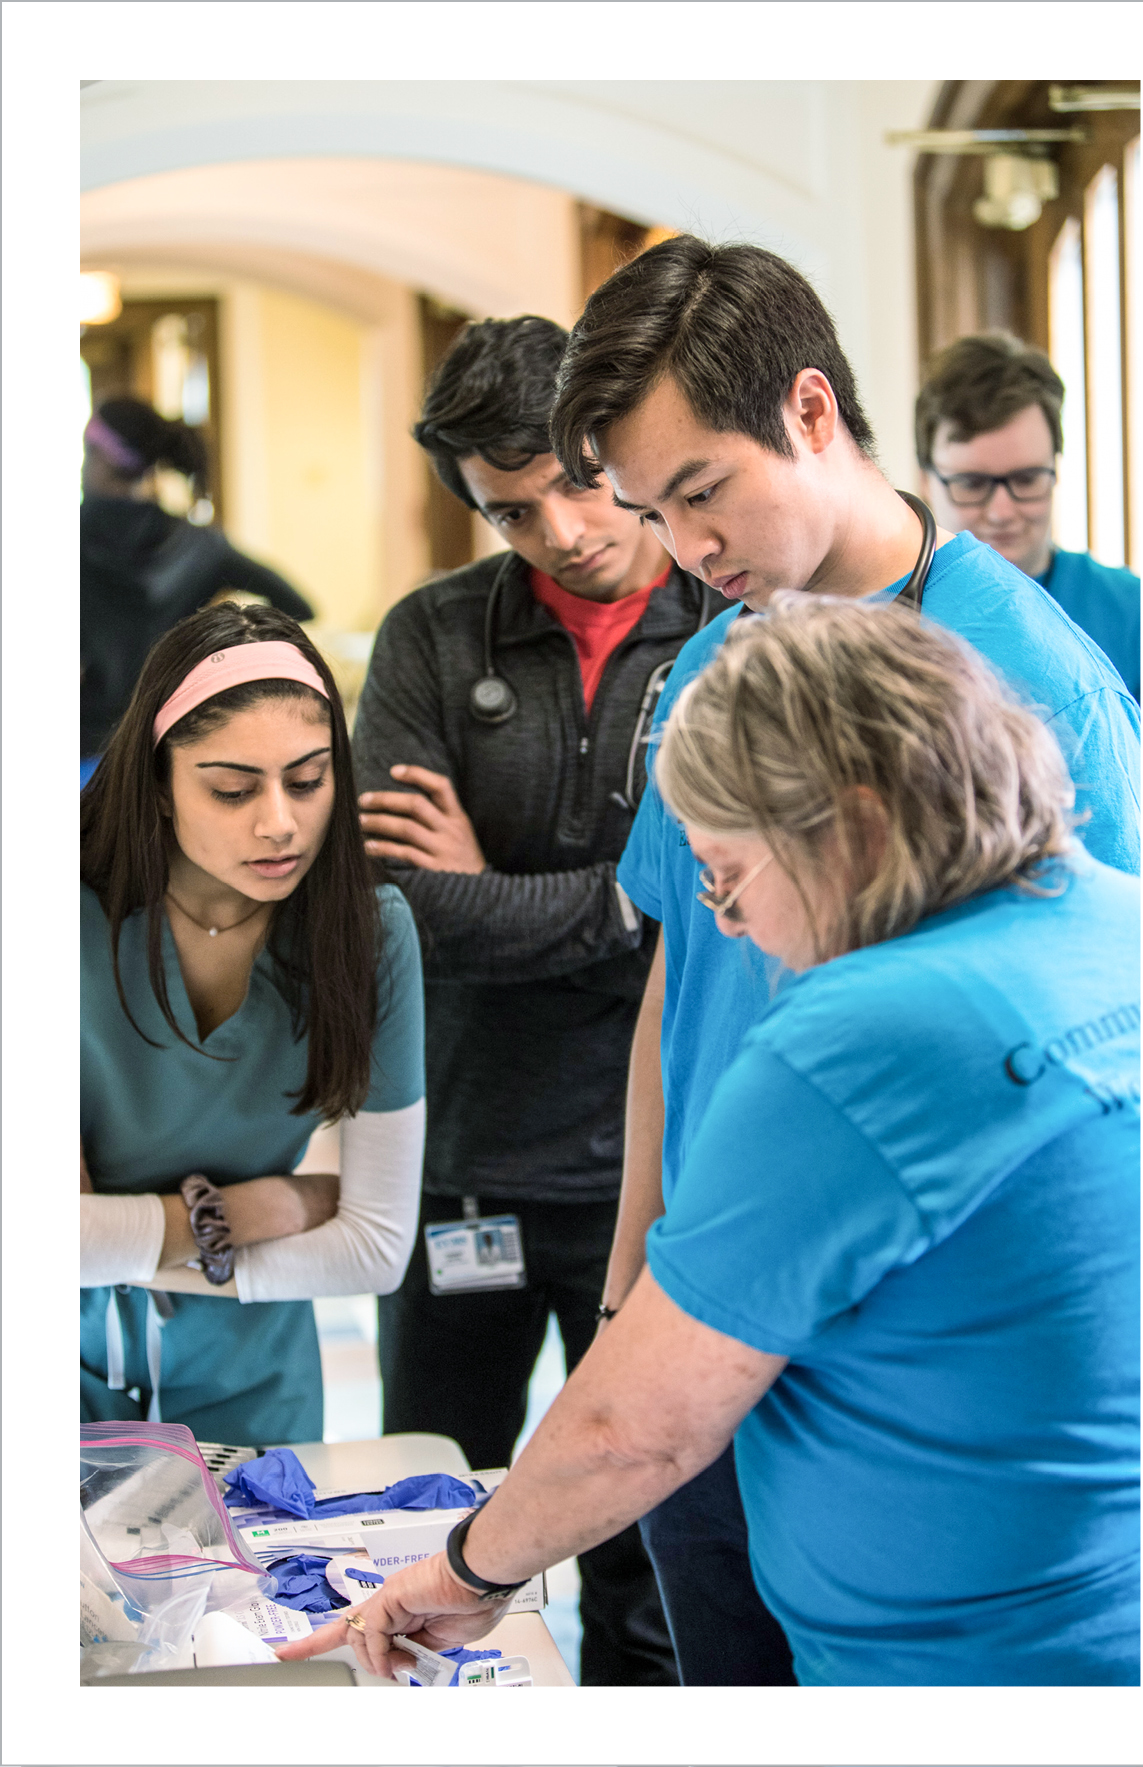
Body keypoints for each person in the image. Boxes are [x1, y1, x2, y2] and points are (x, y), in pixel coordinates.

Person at [280, 598, 1140, 1688]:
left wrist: (461, 1573)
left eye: (728, 871)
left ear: (854, 827)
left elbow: (632, 1429)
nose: (726, 922)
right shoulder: (1128, 924)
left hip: (956, 1663)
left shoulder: (867, 1033)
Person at [542, 234, 1142, 1686]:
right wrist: (628, 1291)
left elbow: (1122, 1054)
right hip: (706, 1319)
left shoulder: (1033, 683)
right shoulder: (718, 664)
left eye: (702, 491)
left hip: (920, 1377)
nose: (687, 551)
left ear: (811, 410)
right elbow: (677, 989)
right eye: (653, 512)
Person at [351, 316, 727, 1683]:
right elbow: (405, 907)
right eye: (511, 511)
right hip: (468, 1155)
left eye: (578, 482)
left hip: (659, 1163)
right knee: (423, 1512)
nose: (561, 531)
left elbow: (718, 906)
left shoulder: (733, 622)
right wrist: (625, 902)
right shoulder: (434, 635)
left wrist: (507, 890)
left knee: (648, 1552)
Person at [80, 602, 424, 1446]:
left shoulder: (368, 933)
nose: (280, 822)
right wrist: (262, 1208)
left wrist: (144, 1238)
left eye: (307, 781)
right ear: (158, 786)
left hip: (257, 1380)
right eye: (231, 789)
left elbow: (376, 1249)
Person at [81, 397, 314, 776]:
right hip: (171, 751)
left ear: (100, 456)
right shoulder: (200, 547)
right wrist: (222, 647)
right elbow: (299, 606)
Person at [916, 333, 1141, 700]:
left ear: (1055, 469)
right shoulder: (889, 617)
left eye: (1026, 479)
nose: (1001, 512)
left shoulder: (1134, 614)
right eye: (972, 484)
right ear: (926, 480)